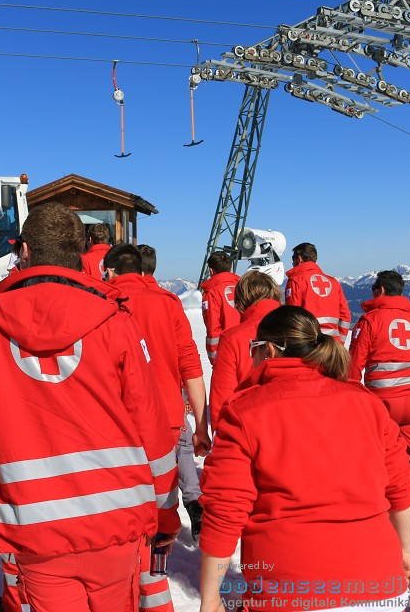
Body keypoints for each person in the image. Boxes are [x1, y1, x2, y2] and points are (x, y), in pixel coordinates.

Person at [0, 202, 179, 612]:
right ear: (83, 250)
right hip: (116, 517)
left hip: (33, 524)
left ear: (26, 251)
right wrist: (165, 509)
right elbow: (152, 427)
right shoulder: (115, 319)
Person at [199, 305, 410, 611]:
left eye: (254, 349)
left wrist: (210, 598)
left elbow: (226, 511)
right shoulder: (367, 404)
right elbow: (401, 490)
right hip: (379, 583)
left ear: (269, 350)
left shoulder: (245, 413)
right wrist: (404, 552)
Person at [104, 243, 207, 612]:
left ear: (111, 271)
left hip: (119, 424)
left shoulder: (104, 301)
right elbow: (190, 365)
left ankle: (124, 588)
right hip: (169, 421)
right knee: (164, 515)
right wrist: (201, 422)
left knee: (123, 514)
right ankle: (156, 581)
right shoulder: (168, 303)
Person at [349, 270, 410, 551]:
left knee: (382, 466)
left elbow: (352, 369)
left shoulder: (370, 321)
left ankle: (385, 528)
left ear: (381, 291)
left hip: (383, 405)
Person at [140, 242, 206, 541]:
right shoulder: (169, 302)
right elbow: (187, 359)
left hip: (138, 400)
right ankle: (192, 498)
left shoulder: (115, 301)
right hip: (172, 393)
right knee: (182, 449)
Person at [208, 271, 282, 432]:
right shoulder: (300, 329)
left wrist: (221, 441)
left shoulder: (232, 338)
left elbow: (222, 400)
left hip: (250, 433)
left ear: (240, 303)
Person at [284, 242, 351, 342]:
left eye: (292, 258)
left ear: (299, 259)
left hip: (308, 345)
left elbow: (293, 317)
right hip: (332, 346)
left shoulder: (296, 281)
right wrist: (339, 342)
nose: (292, 263)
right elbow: (345, 316)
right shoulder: (334, 282)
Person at [200, 251, 240, 364]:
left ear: (211, 270)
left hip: (227, 353)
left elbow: (213, 328)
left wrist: (214, 359)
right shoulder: (243, 286)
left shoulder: (212, 293)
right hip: (249, 349)